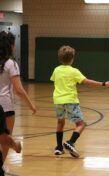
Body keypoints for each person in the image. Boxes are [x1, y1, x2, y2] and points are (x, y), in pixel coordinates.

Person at [50, 45, 109, 157]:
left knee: (60, 122)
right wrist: (103, 84)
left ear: (60, 58)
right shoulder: (74, 71)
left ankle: (59, 148)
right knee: (81, 124)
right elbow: (86, 81)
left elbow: (54, 81)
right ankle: (70, 142)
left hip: (58, 101)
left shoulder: (56, 70)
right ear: (72, 58)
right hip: (70, 100)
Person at [0, 31, 36, 173]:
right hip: (5, 107)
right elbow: (19, 90)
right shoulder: (11, 64)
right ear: (10, 46)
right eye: (13, 44)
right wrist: (31, 105)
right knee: (5, 139)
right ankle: (13, 147)